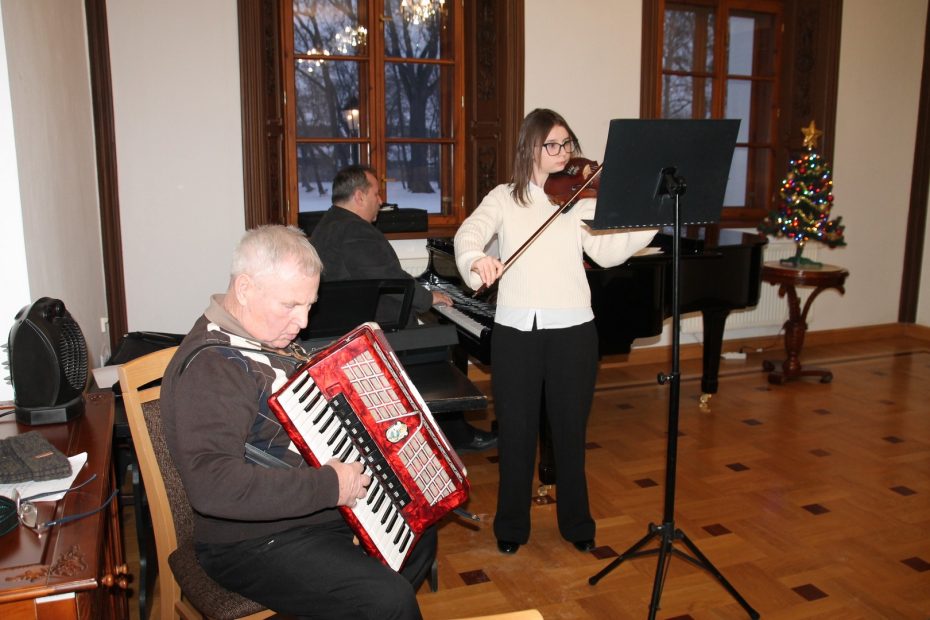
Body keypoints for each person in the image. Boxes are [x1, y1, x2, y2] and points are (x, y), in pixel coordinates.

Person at [161, 225, 435, 620]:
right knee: (388, 600)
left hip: (307, 510)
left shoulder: (262, 337)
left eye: (309, 305)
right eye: (290, 305)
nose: (303, 322)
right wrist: (331, 485)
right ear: (244, 288)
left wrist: (361, 366)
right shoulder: (213, 368)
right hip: (251, 540)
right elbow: (213, 486)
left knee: (419, 532)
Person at [453, 108, 658, 555]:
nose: (564, 153)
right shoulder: (504, 198)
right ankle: (511, 526)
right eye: (553, 145)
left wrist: (650, 219)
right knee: (516, 434)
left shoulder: (580, 199)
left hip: (573, 332)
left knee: (569, 433)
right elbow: (468, 234)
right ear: (530, 147)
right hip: (516, 335)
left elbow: (607, 252)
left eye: (568, 144)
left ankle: (577, 523)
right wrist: (476, 260)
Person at [311, 164, 498, 453]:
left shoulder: (329, 223)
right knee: (439, 343)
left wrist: (421, 294)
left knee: (438, 335)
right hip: (374, 333)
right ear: (359, 196)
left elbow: (382, 276)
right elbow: (391, 282)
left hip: (349, 326)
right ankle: (455, 436)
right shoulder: (356, 232)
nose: (381, 201)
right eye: (376, 193)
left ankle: (447, 432)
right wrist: (428, 298)